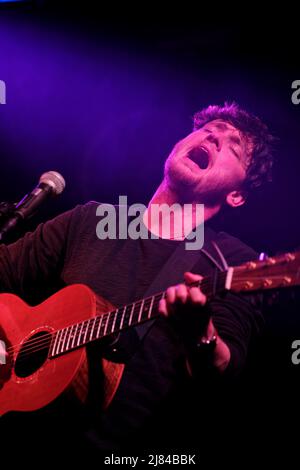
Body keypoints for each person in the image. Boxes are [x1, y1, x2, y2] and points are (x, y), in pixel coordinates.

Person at [0, 102, 274, 457]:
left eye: (232, 145)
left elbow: (223, 373)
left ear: (236, 195)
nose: (213, 137)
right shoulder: (90, 220)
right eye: (208, 130)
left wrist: (200, 334)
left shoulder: (232, 261)